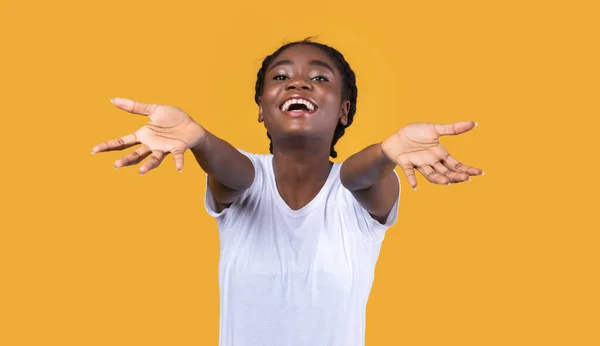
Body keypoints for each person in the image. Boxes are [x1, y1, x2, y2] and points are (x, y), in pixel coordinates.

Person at [91, 38, 483, 346]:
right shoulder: (242, 178)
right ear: (261, 108)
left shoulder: (364, 188)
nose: (298, 83)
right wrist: (200, 140)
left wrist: (386, 152)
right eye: (280, 78)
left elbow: (355, 177)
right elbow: (235, 175)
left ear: (344, 111)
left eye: (319, 78)